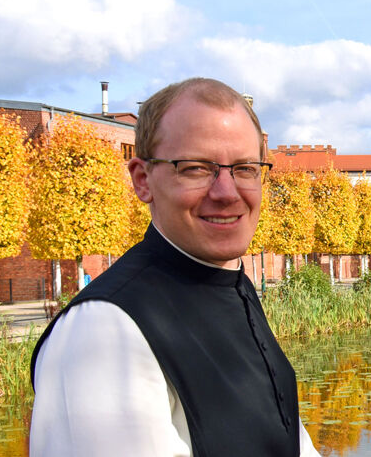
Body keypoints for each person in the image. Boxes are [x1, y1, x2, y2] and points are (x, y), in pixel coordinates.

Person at [30, 78, 321, 456]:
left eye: (245, 168)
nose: (227, 192)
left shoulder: (234, 287)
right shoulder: (105, 329)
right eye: (196, 168)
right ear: (142, 179)